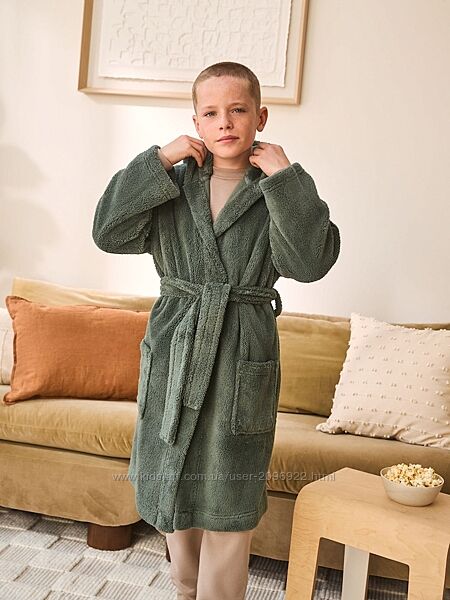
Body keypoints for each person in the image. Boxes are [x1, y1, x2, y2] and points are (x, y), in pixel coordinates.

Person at [92, 61, 340, 600]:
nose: (224, 122)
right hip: (176, 347)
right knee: (173, 485)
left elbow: (309, 263)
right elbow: (108, 231)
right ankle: (186, 588)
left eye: (237, 109)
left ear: (260, 117)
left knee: (229, 496)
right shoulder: (173, 183)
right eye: (210, 113)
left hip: (241, 352)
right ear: (196, 123)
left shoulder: (277, 187)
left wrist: (286, 178)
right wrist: (158, 160)